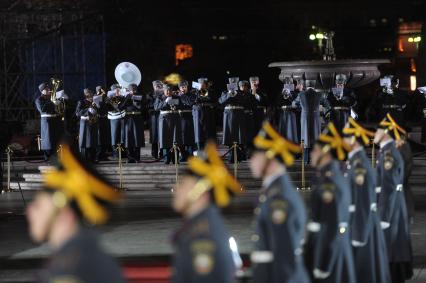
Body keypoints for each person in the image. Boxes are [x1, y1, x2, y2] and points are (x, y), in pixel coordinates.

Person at [26, 143, 125, 283]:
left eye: (38, 206)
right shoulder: (82, 258)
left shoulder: (69, 271)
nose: (29, 211)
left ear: (65, 215)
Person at [171, 142, 242, 283]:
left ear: (200, 193)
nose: (176, 189)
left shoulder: (202, 237)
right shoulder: (201, 226)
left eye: (184, 184)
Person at [249, 122, 310, 283]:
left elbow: (285, 253)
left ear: (272, 160)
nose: (251, 161)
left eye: (257, 156)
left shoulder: (279, 199)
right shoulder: (274, 190)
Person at [305, 122, 356, 283]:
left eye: (315, 150)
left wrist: (323, 264)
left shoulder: (330, 183)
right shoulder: (326, 176)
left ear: (325, 152)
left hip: (328, 255)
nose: (311, 154)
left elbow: (332, 227)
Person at [342, 117, 391, 283]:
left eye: (346, 137)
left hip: (360, 225)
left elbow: (363, 202)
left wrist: (358, 234)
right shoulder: (355, 162)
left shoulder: (359, 166)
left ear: (354, 141)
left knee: (364, 269)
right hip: (358, 223)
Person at [373, 113, 413, 282]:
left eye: (379, 130)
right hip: (392, 200)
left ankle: (398, 273)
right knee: (397, 241)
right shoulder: (389, 150)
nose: (375, 132)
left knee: (395, 240)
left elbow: (395, 180)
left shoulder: (396, 149)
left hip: (395, 200)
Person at [294, 79, 325, 164]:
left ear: (306, 86)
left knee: (305, 138)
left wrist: (300, 107)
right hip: (315, 118)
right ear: (314, 86)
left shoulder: (301, 94)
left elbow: (294, 104)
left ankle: (306, 160)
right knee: (315, 136)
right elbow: (326, 104)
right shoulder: (319, 94)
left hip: (305, 118)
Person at [219, 77, 248, 163]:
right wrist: (228, 94)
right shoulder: (225, 92)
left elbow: (245, 102)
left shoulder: (240, 93)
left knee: (239, 135)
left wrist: (236, 93)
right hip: (228, 116)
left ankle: (239, 156)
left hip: (239, 115)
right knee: (230, 135)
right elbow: (220, 101)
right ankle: (231, 156)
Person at [154, 84, 183, 164]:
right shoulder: (160, 98)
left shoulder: (176, 97)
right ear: (163, 90)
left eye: (169, 90)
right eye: (166, 90)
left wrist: (175, 103)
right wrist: (165, 101)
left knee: (175, 139)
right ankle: (166, 159)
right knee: (165, 139)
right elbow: (156, 107)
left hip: (175, 119)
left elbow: (181, 106)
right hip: (164, 120)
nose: (168, 92)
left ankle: (175, 159)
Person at [35, 82, 61, 161]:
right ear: (42, 91)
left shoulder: (51, 98)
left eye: (48, 89)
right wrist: (53, 103)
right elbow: (42, 109)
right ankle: (47, 157)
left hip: (54, 120)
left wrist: (60, 102)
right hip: (46, 121)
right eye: (46, 89)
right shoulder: (39, 99)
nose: (49, 90)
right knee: (47, 139)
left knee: (54, 139)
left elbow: (57, 110)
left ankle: (55, 156)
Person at [122, 83, 145, 163]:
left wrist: (135, 100)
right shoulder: (125, 97)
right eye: (131, 90)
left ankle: (137, 157)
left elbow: (142, 108)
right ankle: (130, 157)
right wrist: (126, 99)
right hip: (128, 119)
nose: (133, 91)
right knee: (128, 138)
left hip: (137, 119)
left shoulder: (141, 97)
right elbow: (119, 107)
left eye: (134, 90)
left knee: (137, 138)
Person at [192, 78, 217, 152]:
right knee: (199, 134)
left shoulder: (211, 92)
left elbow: (216, 102)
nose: (202, 86)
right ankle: (200, 153)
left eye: (204, 84)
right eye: (200, 84)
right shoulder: (194, 92)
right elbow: (191, 102)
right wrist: (197, 93)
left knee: (208, 134)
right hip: (198, 114)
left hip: (208, 114)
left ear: (206, 85)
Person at [75, 88, 99, 162]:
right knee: (85, 141)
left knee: (93, 141)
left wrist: (99, 106)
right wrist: (87, 110)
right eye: (88, 93)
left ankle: (93, 158)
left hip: (94, 122)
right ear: (86, 94)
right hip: (85, 122)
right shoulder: (81, 102)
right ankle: (84, 159)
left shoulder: (96, 101)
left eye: (91, 93)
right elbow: (77, 113)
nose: (90, 94)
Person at [395, 135, 415, 223]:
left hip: (401, 178)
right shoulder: (402, 146)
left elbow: (407, 165)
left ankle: (407, 215)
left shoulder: (403, 147)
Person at [276, 77, 300, 144]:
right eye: (286, 83)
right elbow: (278, 103)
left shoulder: (295, 93)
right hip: (283, 114)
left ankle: (292, 144)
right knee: (283, 130)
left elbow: (296, 103)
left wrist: (290, 95)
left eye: (290, 83)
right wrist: (282, 95)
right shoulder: (281, 92)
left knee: (291, 130)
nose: (288, 84)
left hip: (291, 114)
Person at [178, 80, 196, 161]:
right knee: (181, 137)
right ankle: (183, 155)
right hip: (180, 118)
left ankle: (190, 155)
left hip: (189, 117)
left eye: (185, 87)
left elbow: (190, 103)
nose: (183, 88)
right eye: (182, 87)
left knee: (190, 137)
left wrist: (182, 96)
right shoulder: (177, 95)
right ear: (179, 88)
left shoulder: (192, 95)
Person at [107, 84, 126, 159]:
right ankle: (116, 154)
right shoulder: (109, 98)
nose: (119, 91)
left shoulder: (121, 97)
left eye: (119, 90)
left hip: (121, 116)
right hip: (114, 117)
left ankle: (123, 153)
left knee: (122, 136)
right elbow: (115, 107)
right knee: (114, 136)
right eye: (117, 90)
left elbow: (123, 106)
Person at [147, 80, 163, 159]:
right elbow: (148, 105)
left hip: (162, 115)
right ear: (153, 87)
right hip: (154, 116)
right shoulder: (150, 95)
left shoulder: (164, 93)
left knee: (163, 134)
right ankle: (154, 153)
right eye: (156, 86)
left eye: (159, 85)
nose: (157, 87)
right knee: (154, 135)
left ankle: (163, 153)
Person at [95, 85, 111, 161]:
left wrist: (108, 100)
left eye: (102, 90)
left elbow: (111, 106)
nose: (101, 91)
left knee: (105, 137)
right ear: (96, 91)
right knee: (99, 138)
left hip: (105, 118)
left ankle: (104, 155)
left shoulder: (105, 98)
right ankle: (98, 155)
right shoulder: (95, 98)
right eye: (99, 90)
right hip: (98, 119)